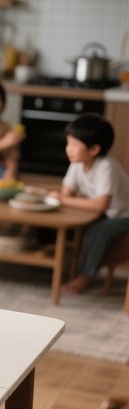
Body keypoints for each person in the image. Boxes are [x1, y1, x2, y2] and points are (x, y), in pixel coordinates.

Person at [47, 113, 129, 295]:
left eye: (75, 145)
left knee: (99, 230)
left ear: (94, 150)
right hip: (101, 213)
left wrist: (63, 199)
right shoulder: (77, 163)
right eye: (69, 143)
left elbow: (101, 205)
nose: (69, 149)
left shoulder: (107, 166)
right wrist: (63, 198)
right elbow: (66, 192)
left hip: (122, 215)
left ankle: (85, 276)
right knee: (60, 219)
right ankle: (55, 265)